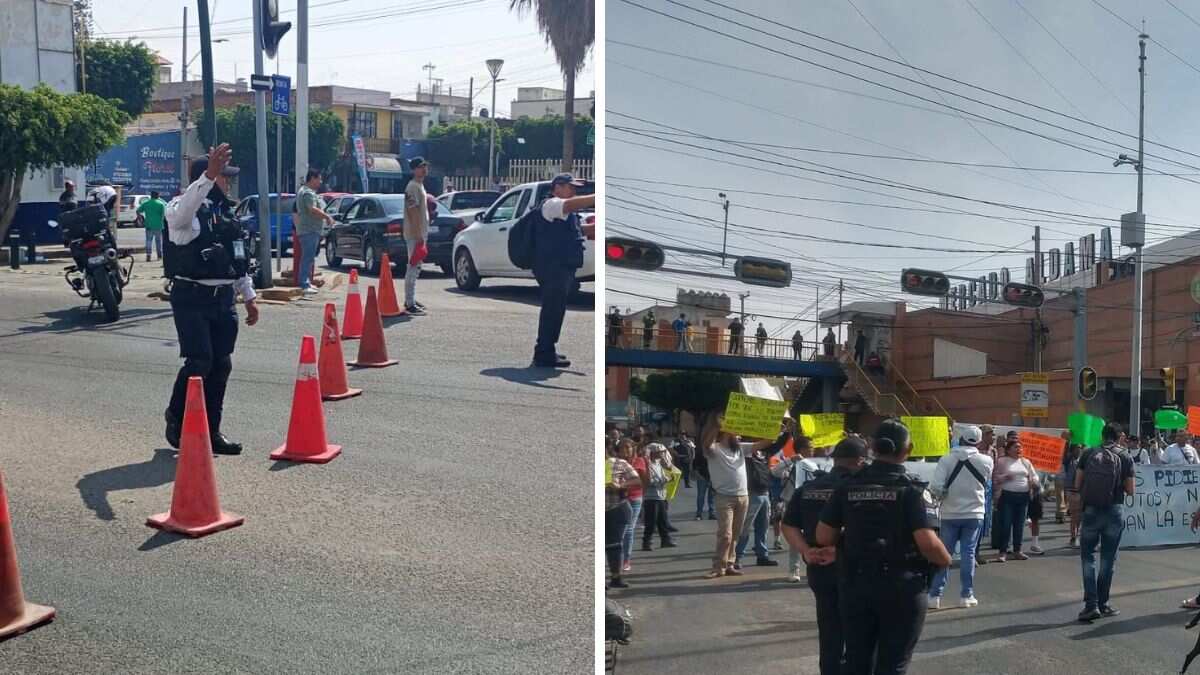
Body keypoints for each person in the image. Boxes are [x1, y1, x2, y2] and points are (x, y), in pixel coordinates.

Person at [816, 419, 951, 674]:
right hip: (902, 587)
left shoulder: (847, 486)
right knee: (893, 663)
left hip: (855, 586)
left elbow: (823, 536)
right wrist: (946, 561)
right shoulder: (912, 490)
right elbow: (928, 543)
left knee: (857, 660)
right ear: (907, 450)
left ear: (872, 448)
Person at [162, 144, 258, 455]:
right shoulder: (180, 209)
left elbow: (236, 258)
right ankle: (177, 418)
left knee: (221, 365)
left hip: (223, 299)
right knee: (199, 361)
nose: (227, 182)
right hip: (191, 297)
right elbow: (183, 214)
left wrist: (248, 296)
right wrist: (207, 177)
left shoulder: (225, 212)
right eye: (222, 177)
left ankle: (211, 430)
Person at [782, 437, 867, 675]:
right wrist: (840, 551)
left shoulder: (808, 488)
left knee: (829, 629)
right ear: (861, 461)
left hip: (818, 566)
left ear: (835, 460)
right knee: (861, 631)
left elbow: (788, 525)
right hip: (856, 567)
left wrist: (806, 551)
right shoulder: (863, 490)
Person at [928, 425, 994, 609]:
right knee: (968, 553)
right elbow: (986, 481)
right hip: (974, 512)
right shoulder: (987, 461)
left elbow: (936, 487)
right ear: (979, 442)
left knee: (944, 553)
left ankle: (935, 595)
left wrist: (943, 495)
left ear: (960, 439)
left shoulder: (946, 459)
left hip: (949, 512)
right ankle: (966, 595)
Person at [531, 173, 593, 367]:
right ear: (557, 187)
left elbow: (574, 230)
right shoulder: (552, 204)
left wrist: (590, 228)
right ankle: (543, 353)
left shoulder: (565, 213)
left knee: (556, 309)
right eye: (570, 186)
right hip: (552, 267)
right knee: (552, 309)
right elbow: (569, 206)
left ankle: (548, 349)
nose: (574, 191)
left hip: (562, 266)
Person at [1075, 423, 1135, 622]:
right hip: (1114, 510)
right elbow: (1130, 489)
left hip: (1091, 509)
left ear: (1102, 436)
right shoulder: (1124, 456)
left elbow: (1077, 483)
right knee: (1108, 560)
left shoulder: (1088, 453)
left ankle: (1090, 605)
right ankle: (1103, 603)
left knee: (1088, 557)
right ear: (1118, 437)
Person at [733, 423, 790, 570]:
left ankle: (762, 555)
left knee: (763, 526)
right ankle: (737, 557)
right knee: (745, 527)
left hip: (765, 492)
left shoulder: (765, 451)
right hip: (751, 493)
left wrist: (787, 431)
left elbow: (778, 444)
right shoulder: (745, 450)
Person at [700, 413, 750, 578]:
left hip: (743, 496)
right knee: (726, 534)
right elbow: (706, 443)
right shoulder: (714, 449)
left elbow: (766, 443)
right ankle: (718, 567)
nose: (739, 434)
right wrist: (718, 425)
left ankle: (729, 564)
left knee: (736, 533)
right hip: (724, 498)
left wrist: (777, 429)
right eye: (735, 431)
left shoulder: (741, 448)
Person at [774, 434, 826, 582]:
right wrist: (791, 460)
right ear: (802, 449)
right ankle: (794, 570)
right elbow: (775, 471)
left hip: (812, 504)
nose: (813, 450)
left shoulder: (817, 464)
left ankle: (817, 563)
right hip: (792, 503)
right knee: (796, 537)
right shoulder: (792, 463)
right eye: (810, 448)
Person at [992, 438, 1039, 562]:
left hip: (1023, 497)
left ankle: (1017, 550)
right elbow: (995, 478)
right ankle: (1003, 552)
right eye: (1016, 447)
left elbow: (1035, 476)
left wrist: (1033, 481)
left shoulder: (1026, 462)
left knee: (1019, 525)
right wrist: (1005, 477)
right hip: (1007, 496)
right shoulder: (1002, 461)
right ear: (1008, 450)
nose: (1019, 449)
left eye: (1020, 447)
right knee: (1006, 524)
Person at [605, 444, 639, 589]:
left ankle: (615, 578)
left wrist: (621, 485)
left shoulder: (618, 463)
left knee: (614, 545)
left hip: (616, 508)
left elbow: (637, 481)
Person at [296, 169, 334, 296]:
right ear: (312, 178)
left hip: (309, 230)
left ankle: (306, 282)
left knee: (309, 258)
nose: (320, 182)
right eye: (319, 178)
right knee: (307, 258)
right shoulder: (307, 193)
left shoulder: (307, 192)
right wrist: (327, 217)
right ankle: (304, 284)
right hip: (309, 230)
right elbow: (312, 209)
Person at [403, 158, 431, 315]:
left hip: (420, 233)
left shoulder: (420, 186)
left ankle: (411, 298)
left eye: (425, 166)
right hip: (415, 234)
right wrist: (419, 234)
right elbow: (412, 211)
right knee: (413, 267)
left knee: (417, 266)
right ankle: (409, 303)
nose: (424, 169)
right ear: (414, 169)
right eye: (421, 167)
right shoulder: (412, 187)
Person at [641, 443, 677, 551]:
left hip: (660, 496)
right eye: (659, 452)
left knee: (663, 520)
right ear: (653, 453)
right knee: (651, 522)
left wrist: (668, 477)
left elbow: (661, 476)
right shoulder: (648, 465)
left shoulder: (658, 464)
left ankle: (665, 540)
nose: (662, 454)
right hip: (651, 497)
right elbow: (649, 481)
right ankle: (647, 542)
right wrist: (666, 480)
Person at [617, 439, 646, 574]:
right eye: (623, 448)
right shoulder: (616, 462)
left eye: (628, 448)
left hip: (635, 498)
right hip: (619, 498)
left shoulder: (639, 461)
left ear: (633, 448)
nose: (625, 451)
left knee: (629, 529)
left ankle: (626, 560)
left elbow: (642, 480)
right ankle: (617, 558)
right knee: (619, 529)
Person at [975, 425, 997, 565]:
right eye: (990, 434)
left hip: (988, 491)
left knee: (984, 522)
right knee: (974, 521)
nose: (993, 437)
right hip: (975, 489)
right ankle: (972, 553)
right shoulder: (974, 451)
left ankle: (976, 552)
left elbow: (994, 473)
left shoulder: (993, 451)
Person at [135, 190, 167, 262]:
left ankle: (148, 255)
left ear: (151, 196)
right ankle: (159, 256)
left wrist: (140, 219)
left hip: (148, 225)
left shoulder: (146, 203)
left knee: (148, 240)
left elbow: (138, 211)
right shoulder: (161, 204)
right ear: (158, 196)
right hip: (159, 225)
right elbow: (164, 215)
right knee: (158, 241)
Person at [1062, 443, 1083, 547]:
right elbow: (1065, 453)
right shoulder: (1068, 461)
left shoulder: (1083, 460)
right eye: (1076, 449)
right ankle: (1073, 536)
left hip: (1081, 491)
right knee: (1075, 515)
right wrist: (1067, 441)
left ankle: (1076, 534)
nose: (1078, 450)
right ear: (1072, 450)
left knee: (1079, 516)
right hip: (1072, 491)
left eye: (1079, 448)